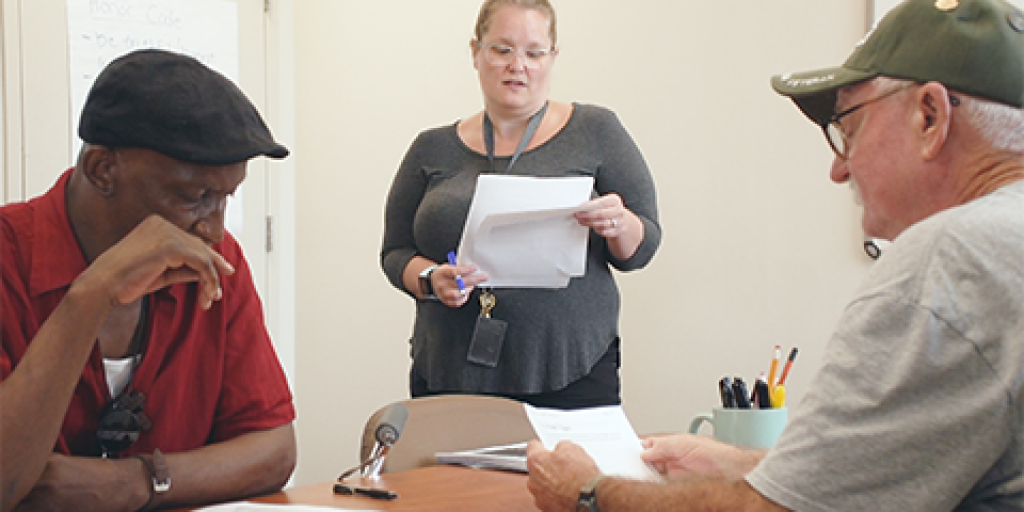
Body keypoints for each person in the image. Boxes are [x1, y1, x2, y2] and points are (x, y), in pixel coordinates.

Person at [526, 0, 1024, 509]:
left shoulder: (951, 260)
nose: (839, 169)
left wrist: (587, 493)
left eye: (846, 130)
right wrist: (742, 465)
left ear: (929, 117)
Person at [0, 49, 296, 511]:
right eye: (195, 197)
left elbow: (273, 450)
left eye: (226, 198)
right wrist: (94, 292)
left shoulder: (217, 261)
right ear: (102, 169)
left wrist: (131, 483)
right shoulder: (8, 255)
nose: (214, 230)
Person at [380, 0, 661, 410]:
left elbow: (645, 245)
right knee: (446, 478)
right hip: (450, 370)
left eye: (534, 52)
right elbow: (395, 251)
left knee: (572, 477)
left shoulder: (597, 130)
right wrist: (429, 279)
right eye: (502, 49)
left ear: (553, 58)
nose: (518, 65)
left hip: (570, 369)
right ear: (476, 52)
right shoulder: (431, 147)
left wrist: (620, 224)